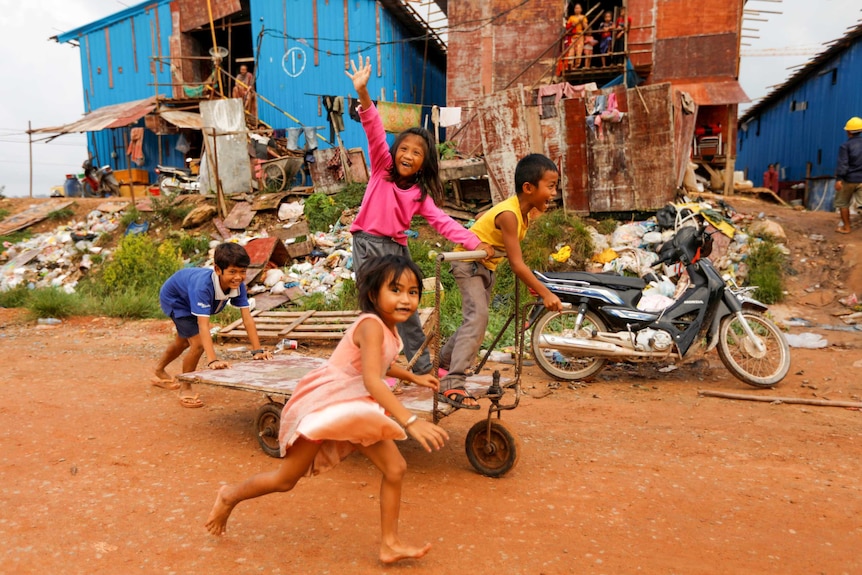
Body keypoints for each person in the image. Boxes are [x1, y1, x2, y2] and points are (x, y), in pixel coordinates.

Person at [205, 255, 449, 564]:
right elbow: (373, 380)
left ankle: (389, 543)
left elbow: (380, 364)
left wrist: (412, 376)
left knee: (395, 468)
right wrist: (410, 420)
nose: (406, 299)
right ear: (374, 295)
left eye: (413, 292)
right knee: (285, 480)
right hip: (329, 403)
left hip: (354, 405)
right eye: (396, 290)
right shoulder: (372, 326)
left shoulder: (388, 328)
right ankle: (230, 495)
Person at [345, 55, 493, 376]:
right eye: (404, 148)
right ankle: (372, 367)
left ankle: (423, 368)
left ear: (424, 163)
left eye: (417, 152)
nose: (408, 155)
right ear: (394, 151)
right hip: (368, 246)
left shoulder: (420, 194)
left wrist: (473, 241)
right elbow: (373, 128)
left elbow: (443, 222)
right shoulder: (382, 169)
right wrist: (363, 92)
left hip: (397, 251)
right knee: (373, 309)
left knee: (407, 311)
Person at [437, 154, 564, 409]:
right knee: (477, 318)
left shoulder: (524, 214)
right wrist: (545, 292)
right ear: (528, 188)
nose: (554, 192)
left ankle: (442, 363)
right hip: (467, 262)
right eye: (550, 186)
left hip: (486, 266)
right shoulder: (509, 214)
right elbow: (517, 264)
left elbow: (515, 257)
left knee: (475, 319)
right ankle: (452, 383)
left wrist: (533, 283)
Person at [154, 243, 272, 408]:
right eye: (232, 272)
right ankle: (185, 386)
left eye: (242, 271)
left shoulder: (238, 285)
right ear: (217, 270)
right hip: (177, 299)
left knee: (182, 342)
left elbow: (247, 319)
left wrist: (258, 351)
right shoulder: (203, 288)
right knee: (198, 344)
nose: (238, 277)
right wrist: (212, 360)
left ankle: (159, 370)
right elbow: (204, 326)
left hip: (188, 293)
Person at [835, 117, 862, 234]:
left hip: (848, 179)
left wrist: (839, 179)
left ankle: (847, 227)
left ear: (849, 131)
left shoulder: (845, 146)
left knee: (843, 203)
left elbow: (843, 164)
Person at [559, 3, 589, 74]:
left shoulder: (583, 17)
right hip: (572, 36)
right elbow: (568, 27)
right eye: (576, 8)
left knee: (579, 51)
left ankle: (577, 65)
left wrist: (582, 22)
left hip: (580, 35)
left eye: (578, 8)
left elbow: (586, 27)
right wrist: (572, 25)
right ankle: (570, 65)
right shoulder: (571, 17)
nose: (577, 9)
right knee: (571, 51)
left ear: (581, 9)